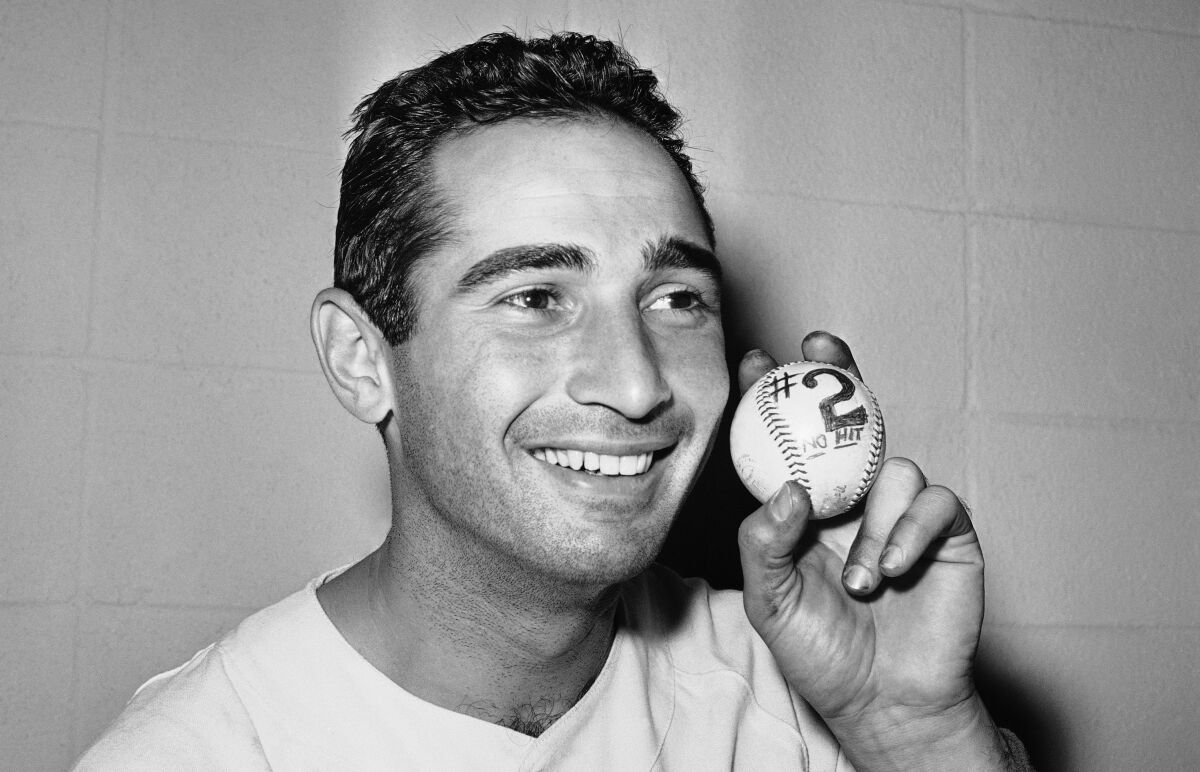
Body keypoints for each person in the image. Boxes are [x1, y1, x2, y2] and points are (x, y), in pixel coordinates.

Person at [74, 31, 1031, 770]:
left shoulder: (793, 691)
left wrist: (917, 734)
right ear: (363, 360)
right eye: (536, 298)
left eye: (675, 300)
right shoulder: (202, 750)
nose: (637, 383)